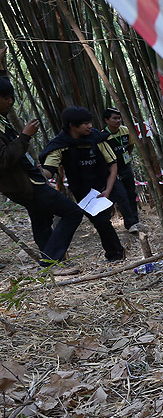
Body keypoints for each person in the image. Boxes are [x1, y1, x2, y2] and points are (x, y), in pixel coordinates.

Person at [0, 77, 83, 273]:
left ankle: (53, 266)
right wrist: (25, 136)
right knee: (73, 212)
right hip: (25, 186)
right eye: (6, 98)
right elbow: (3, 159)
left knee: (42, 220)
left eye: (11, 97)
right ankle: (49, 262)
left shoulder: (2, 120)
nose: (11, 101)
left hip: (30, 181)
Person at [40, 106, 125, 262]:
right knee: (99, 222)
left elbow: (113, 164)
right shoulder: (60, 145)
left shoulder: (97, 138)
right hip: (83, 191)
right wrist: (35, 173)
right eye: (85, 123)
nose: (90, 126)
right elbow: (48, 170)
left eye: (90, 122)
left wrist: (107, 190)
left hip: (105, 184)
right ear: (72, 125)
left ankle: (116, 254)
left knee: (102, 220)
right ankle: (115, 253)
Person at [99, 107, 141, 233]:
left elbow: (130, 145)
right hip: (112, 171)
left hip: (125, 167)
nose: (118, 121)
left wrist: (126, 158)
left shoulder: (125, 130)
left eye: (119, 118)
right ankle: (130, 224)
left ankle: (135, 220)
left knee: (131, 193)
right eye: (115, 118)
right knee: (121, 196)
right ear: (107, 120)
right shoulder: (103, 136)